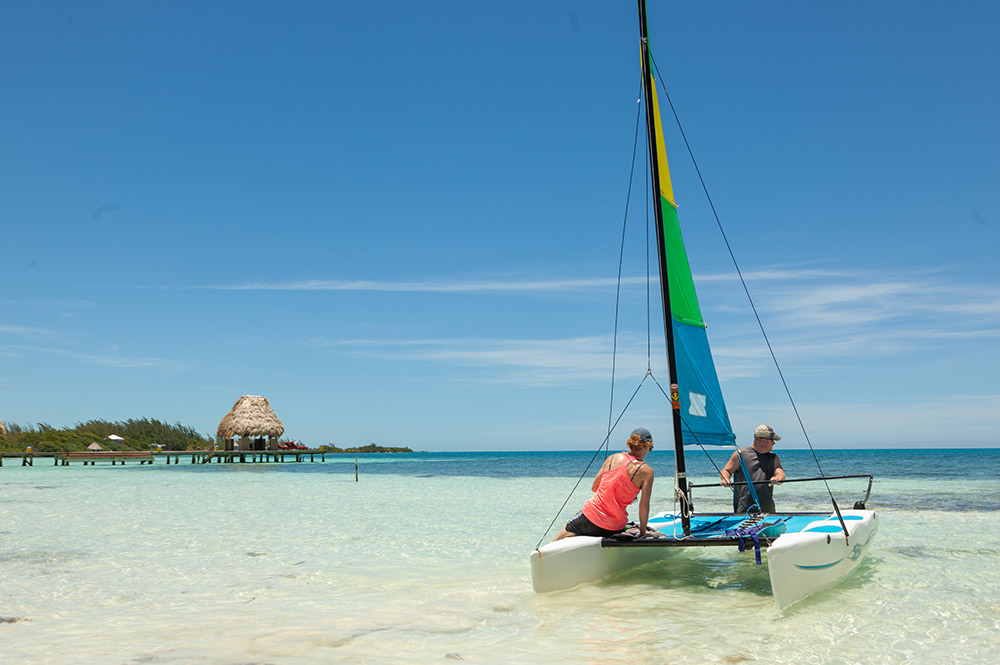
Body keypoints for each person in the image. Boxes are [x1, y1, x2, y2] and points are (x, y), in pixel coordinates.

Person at [554, 427, 656, 540]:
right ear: (647, 445)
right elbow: (644, 506)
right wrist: (642, 534)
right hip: (615, 526)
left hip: (590, 519)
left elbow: (594, 487)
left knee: (556, 540)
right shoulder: (647, 472)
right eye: (650, 448)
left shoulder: (612, 458)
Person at [719, 424, 786, 513]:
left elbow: (780, 471)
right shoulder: (740, 454)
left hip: (768, 510)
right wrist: (725, 479)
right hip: (743, 510)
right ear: (763, 441)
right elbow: (726, 470)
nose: (774, 444)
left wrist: (778, 478)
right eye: (773, 441)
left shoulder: (774, 458)